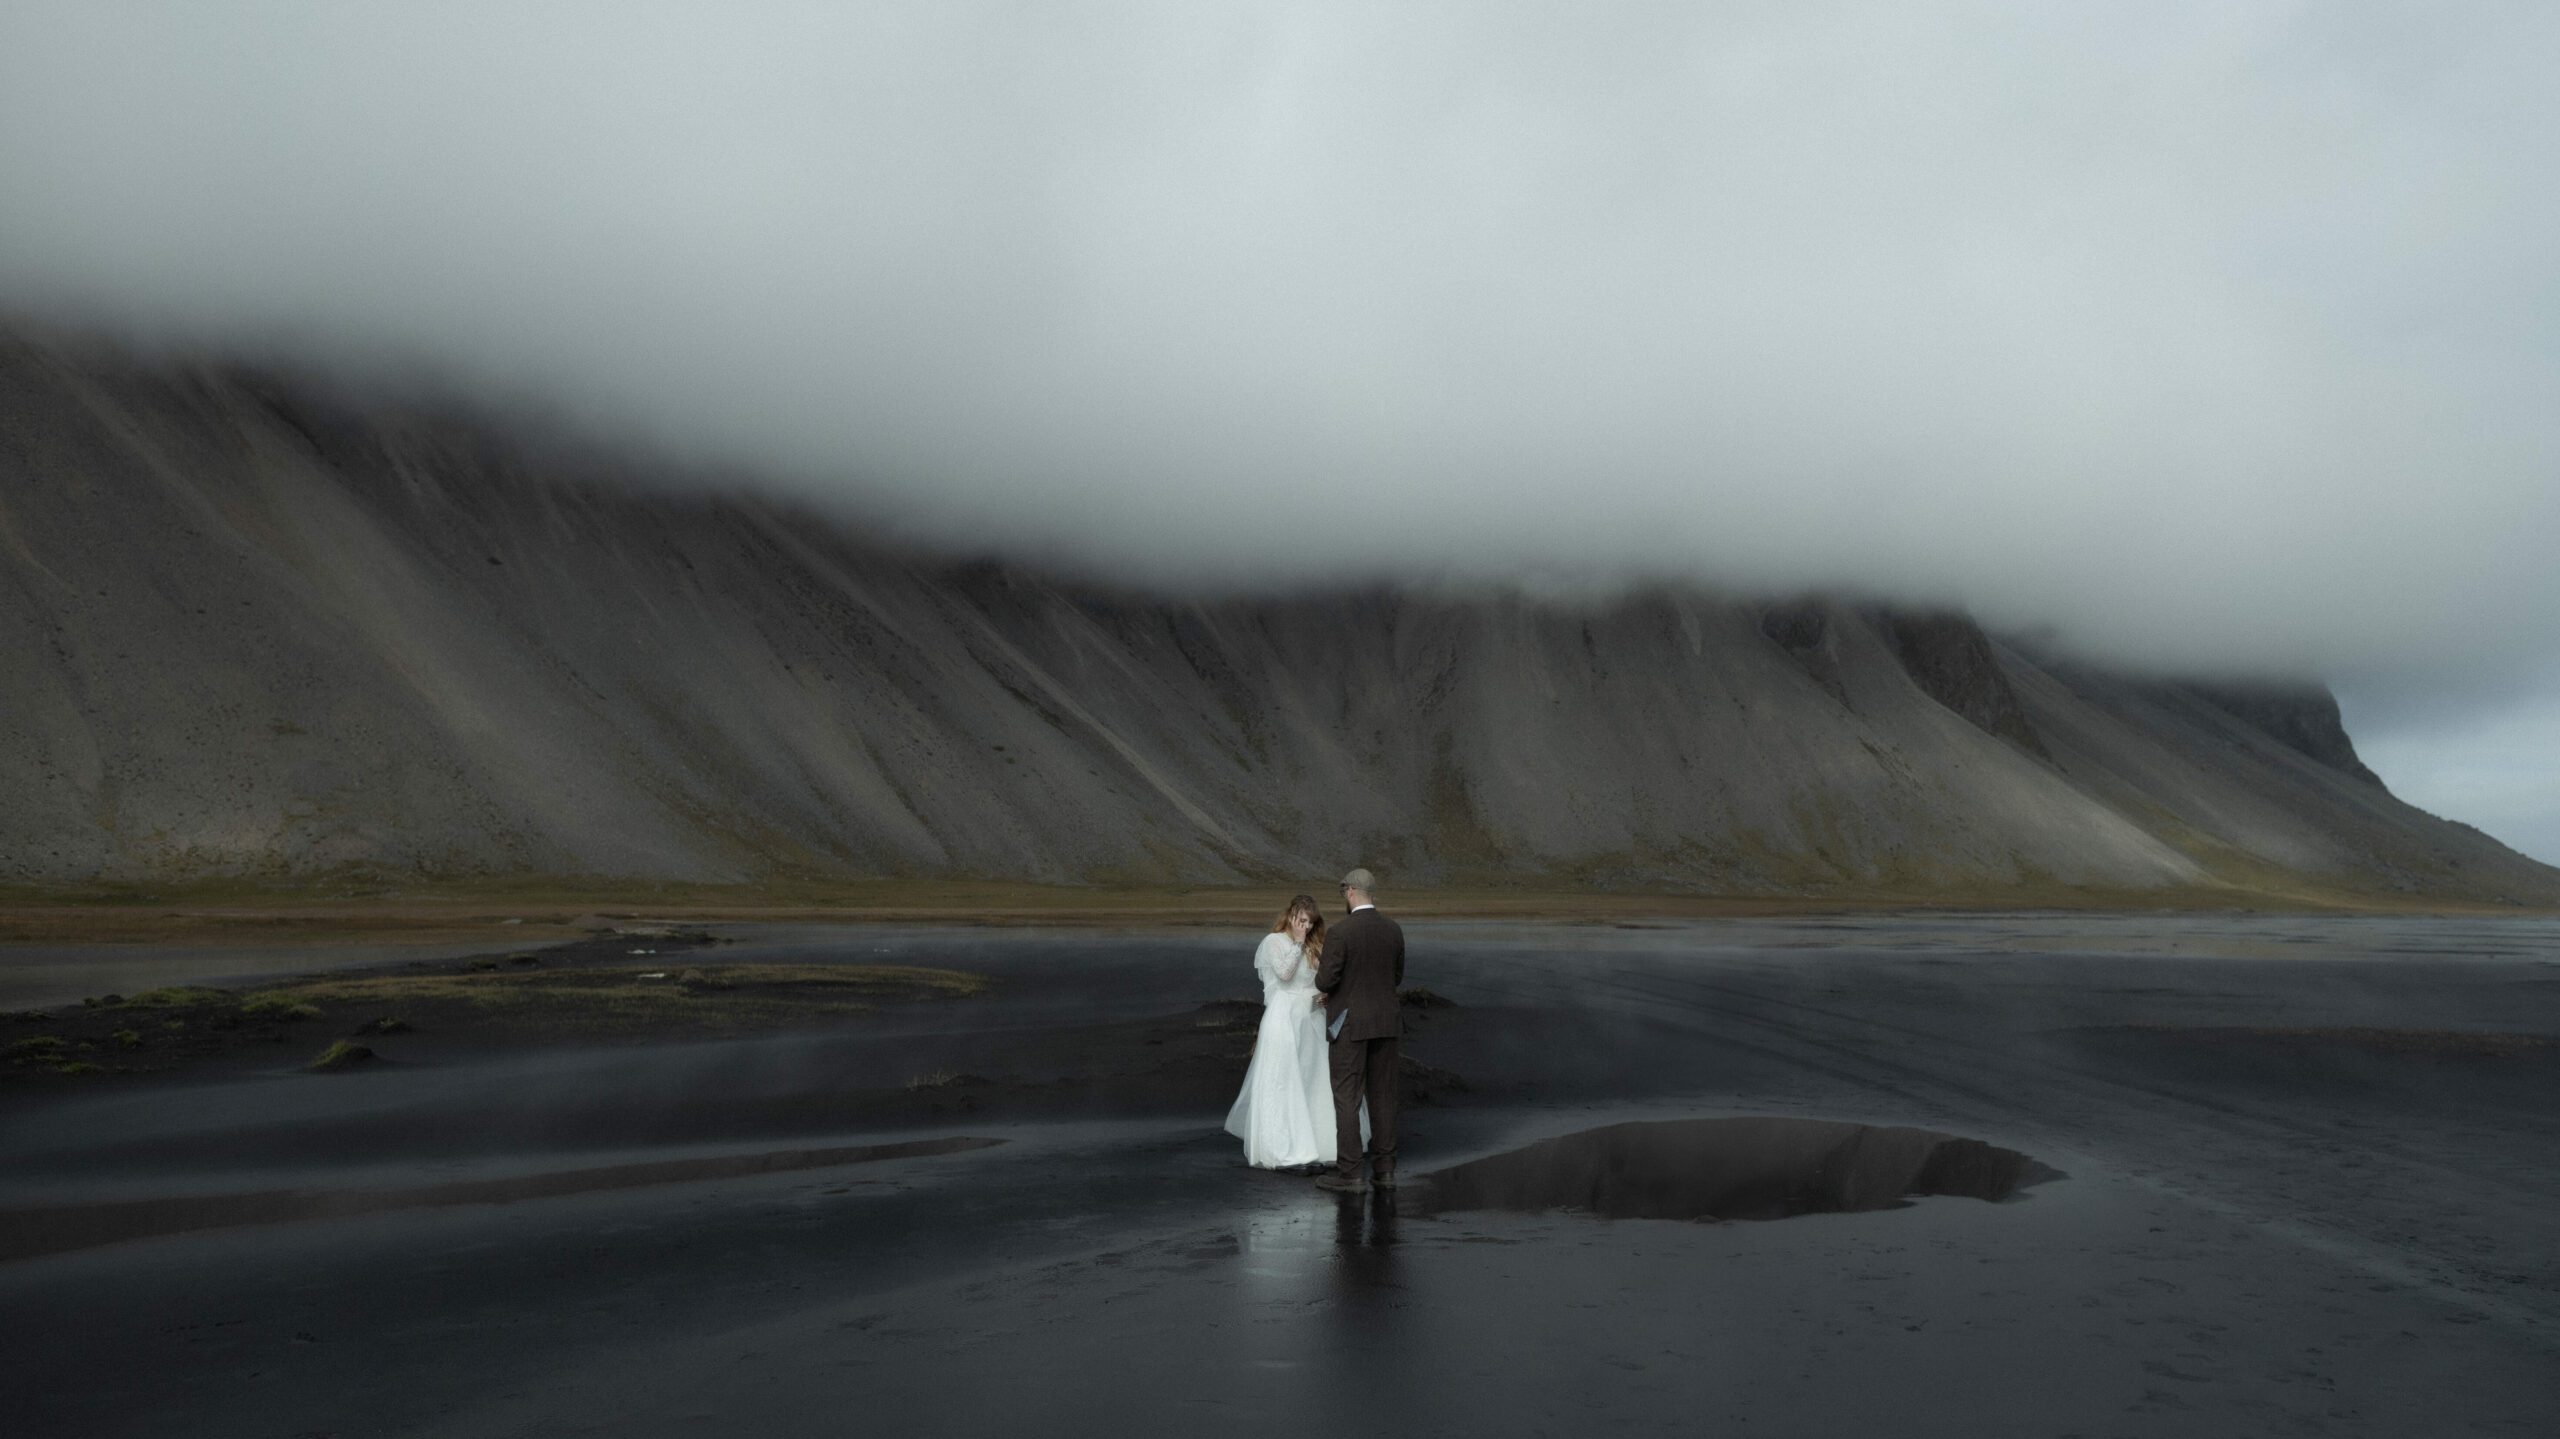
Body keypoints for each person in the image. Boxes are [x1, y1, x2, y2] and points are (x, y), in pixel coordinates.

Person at [1225, 894, 1366, 1169]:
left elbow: (1321, 979)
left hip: (1311, 1018)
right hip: (1283, 1018)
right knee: (1284, 1079)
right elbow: (1285, 975)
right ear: (1290, 916)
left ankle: (1320, 1144)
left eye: (1310, 923)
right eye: (1301, 921)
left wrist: (1325, 995)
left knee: (1314, 1079)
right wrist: (1298, 942)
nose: (1305, 927)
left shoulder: (1315, 943)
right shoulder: (1273, 942)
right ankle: (1283, 1148)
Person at [1314, 866, 1404, 1193]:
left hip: (1350, 1025)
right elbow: (1396, 977)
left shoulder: (1340, 933)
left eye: (1344, 894)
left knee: (1347, 1098)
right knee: (1383, 1098)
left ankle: (1350, 1174)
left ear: (1350, 891)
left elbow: (1324, 981)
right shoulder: (1393, 930)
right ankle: (1385, 1171)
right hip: (1387, 1022)